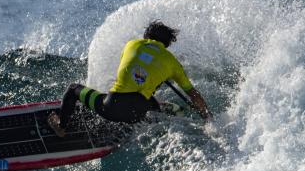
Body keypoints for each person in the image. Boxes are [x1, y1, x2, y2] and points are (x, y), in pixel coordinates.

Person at [48, 21, 212, 137]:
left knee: (72, 89)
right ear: (167, 44)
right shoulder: (173, 63)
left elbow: (129, 70)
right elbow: (193, 95)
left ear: (146, 36)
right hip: (139, 112)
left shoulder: (132, 44)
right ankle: (164, 112)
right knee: (151, 99)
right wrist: (207, 117)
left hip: (112, 107)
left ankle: (61, 127)